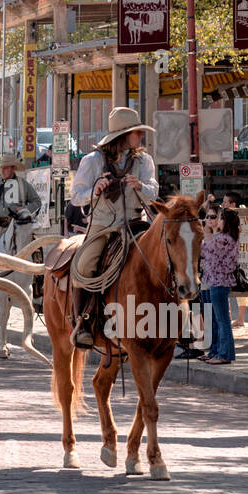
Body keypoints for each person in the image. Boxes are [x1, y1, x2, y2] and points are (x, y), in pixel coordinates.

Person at [66, 107, 159, 349]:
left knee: (166, 258)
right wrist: (95, 190)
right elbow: (76, 196)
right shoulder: (93, 161)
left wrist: (140, 187)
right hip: (103, 226)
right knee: (84, 266)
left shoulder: (144, 161)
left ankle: (174, 320)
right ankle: (83, 323)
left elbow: (154, 191)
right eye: (137, 132)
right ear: (123, 135)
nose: (141, 136)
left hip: (136, 223)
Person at [0, 155, 42, 251]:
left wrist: (26, 209)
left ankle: (37, 260)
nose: (2, 171)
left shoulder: (23, 184)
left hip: (18, 223)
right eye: (1, 168)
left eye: (5, 168)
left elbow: (37, 202)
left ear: (13, 168)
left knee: (35, 248)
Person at [201, 207, 240, 364]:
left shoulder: (223, 239)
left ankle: (224, 354)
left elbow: (205, 252)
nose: (219, 221)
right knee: (220, 320)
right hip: (218, 282)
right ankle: (218, 352)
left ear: (226, 222)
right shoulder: (229, 237)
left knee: (222, 320)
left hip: (218, 282)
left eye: (221, 218)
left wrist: (207, 231)